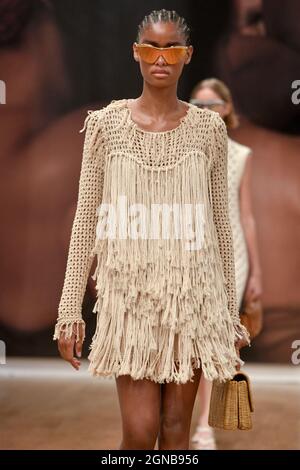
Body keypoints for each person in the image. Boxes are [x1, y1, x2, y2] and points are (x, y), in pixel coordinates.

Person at [53, 9, 250, 450]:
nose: (160, 58)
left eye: (171, 49)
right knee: (140, 433)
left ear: (187, 56)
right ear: (135, 54)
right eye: (150, 48)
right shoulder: (106, 126)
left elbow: (221, 223)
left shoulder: (209, 130)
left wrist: (229, 314)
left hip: (194, 299)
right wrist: (70, 310)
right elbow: (86, 220)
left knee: (177, 433)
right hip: (131, 303)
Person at [190, 78, 262, 450]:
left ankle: (204, 425)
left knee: (214, 345)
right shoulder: (183, 152)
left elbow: (246, 215)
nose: (206, 112)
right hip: (189, 253)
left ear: (227, 108)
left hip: (231, 255)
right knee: (187, 340)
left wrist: (257, 273)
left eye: (213, 104)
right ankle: (180, 419)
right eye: (198, 105)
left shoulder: (241, 155)